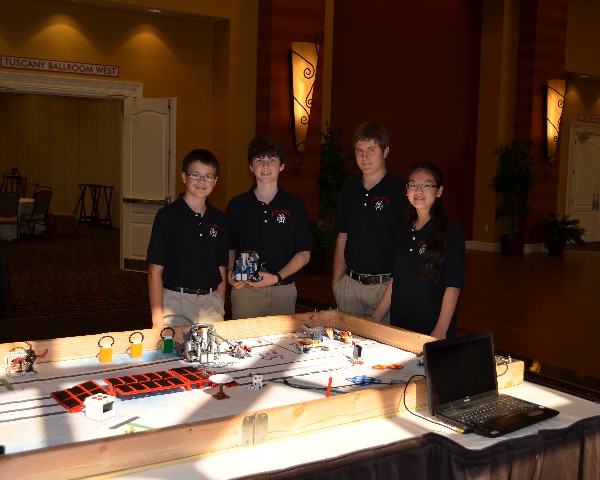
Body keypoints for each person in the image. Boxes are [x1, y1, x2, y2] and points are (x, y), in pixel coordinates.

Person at [372, 162, 465, 338]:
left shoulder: (451, 232)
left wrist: (441, 330)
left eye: (426, 185)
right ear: (407, 190)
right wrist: (376, 316)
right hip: (400, 324)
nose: (419, 190)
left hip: (432, 327)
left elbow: (453, 286)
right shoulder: (402, 229)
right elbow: (395, 279)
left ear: (439, 191)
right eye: (413, 184)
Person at [226, 135, 313, 319]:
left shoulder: (295, 205)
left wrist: (277, 277)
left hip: (283, 290)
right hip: (246, 292)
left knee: (282, 344)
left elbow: (304, 253)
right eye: (259, 160)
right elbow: (229, 247)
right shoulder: (237, 205)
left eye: (272, 160)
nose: (265, 166)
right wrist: (231, 272)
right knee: (242, 344)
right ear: (251, 166)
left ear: (281, 165)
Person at [332, 122, 407, 324]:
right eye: (359, 151)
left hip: (385, 288)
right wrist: (337, 284)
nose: (364, 158)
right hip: (351, 287)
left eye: (371, 150)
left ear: (386, 151)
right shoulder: (348, 189)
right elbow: (343, 236)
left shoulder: (401, 190)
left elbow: (405, 247)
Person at [147, 149, 228, 329]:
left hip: (211, 305)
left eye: (208, 177)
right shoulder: (167, 217)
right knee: (173, 355)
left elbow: (221, 267)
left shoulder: (220, 219)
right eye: (196, 175)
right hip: (175, 304)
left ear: (215, 182)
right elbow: (155, 271)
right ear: (184, 176)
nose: (202, 181)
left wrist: (220, 305)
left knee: (212, 355)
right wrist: (157, 320)